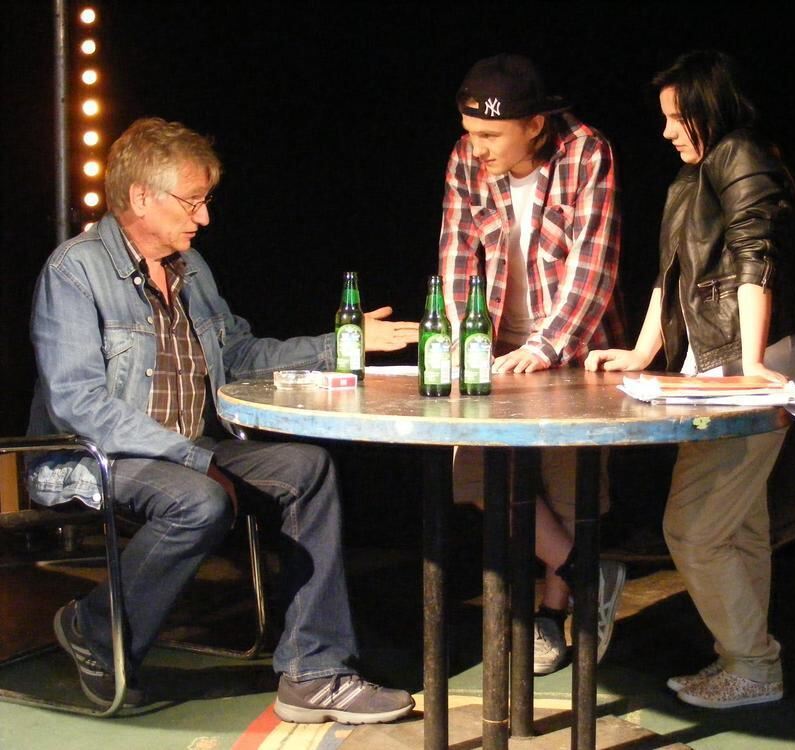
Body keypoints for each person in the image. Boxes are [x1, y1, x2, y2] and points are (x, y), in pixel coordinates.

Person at [27, 117, 419, 723]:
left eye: (205, 201)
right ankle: (95, 628)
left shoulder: (192, 269)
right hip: (91, 457)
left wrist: (341, 345)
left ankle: (314, 671)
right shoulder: (75, 270)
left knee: (306, 467)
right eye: (192, 202)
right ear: (141, 197)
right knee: (199, 501)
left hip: (187, 449)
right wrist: (196, 459)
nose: (204, 217)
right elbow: (79, 404)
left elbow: (238, 356)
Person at [586, 50, 795, 708]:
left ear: (708, 109)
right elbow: (673, 277)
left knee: (693, 528)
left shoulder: (739, 154)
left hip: (746, 365)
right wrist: (641, 353)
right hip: (720, 366)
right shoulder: (695, 177)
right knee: (738, 526)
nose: (665, 131)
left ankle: (754, 665)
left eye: (676, 117)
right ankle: (742, 660)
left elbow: (755, 255)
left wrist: (752, 361)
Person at [439, 53, 628, 675]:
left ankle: (551, 612)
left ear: (535, 125)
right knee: (476, 476)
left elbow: (594, 265)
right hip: (496, 344)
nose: (477, 147)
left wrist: (545, 349)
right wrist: (463, 346)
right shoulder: (467, 159)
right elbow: (457, 257)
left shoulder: (586, 153)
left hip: (575, 346)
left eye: (491, 135)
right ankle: (587, 571)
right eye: (470, 132)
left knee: (569, 486)